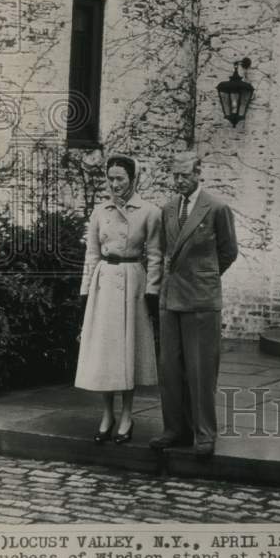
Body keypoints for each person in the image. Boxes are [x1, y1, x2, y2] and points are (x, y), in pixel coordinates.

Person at [150, 152, 238, 456]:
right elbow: (164, 250)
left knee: (201, 370)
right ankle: (175, 429)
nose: (179, 180)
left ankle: (204, 434)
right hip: (170, 297)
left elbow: (228, 251)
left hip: (201, 298)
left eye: (184, 175)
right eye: (175, 175)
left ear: (198, 173)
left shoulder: (216, 208)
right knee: (169, 368)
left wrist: (205, 276)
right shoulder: (169, 209)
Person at [75, 154, 162, 444]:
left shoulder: (149, 212)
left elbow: (155, 255)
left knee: (127, 351)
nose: (115, 184)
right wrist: (85, 290)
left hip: (132, 281)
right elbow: (91, 254)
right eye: (110, 178)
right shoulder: (100, 212)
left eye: (120, 179)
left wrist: (151, 291)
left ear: (132, 179)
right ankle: (107, 414)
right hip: (104, 283)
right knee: (105, 351)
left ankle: (127, 414)